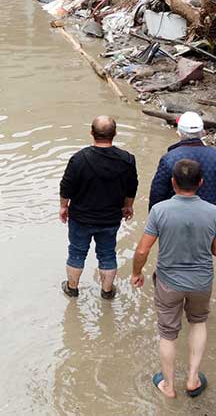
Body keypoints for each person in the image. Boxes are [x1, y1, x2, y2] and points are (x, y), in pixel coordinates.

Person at [132, 159, 216, 399]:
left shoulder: (159, 210)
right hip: (201, 281)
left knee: (167, 333)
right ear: (200, 183)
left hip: (168, 282)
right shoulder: (213, 212)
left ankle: (169, 386)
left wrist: (136, 272)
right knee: (198, 321)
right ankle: (193, 379)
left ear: (172, 182)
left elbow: (143, 250)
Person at [59, 115, 138, 299]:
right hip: (110, 218)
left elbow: (66, 186)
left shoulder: (79, 159)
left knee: (77, 252)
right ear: (115, 134)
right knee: (107, 254)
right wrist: (128, 206)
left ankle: (72, 289)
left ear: (91, 133)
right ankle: (107, 292)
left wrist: (63, 207)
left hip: (81, 218)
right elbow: (132, 187)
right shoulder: (127, 160)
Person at [149, 111, 216, 219]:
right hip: (208, 219)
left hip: (175, 218)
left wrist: (154, 219)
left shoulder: (169, 158)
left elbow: (158, 192)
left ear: (179, 133)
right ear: (203, 133)